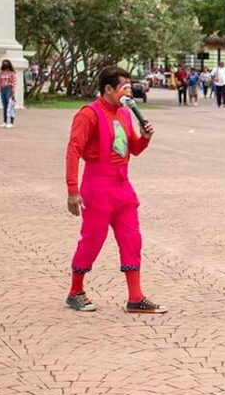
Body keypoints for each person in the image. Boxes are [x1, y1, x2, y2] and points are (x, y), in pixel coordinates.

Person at [65, 66, 167, 314]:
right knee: (92, 240)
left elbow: (133, 149)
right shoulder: (89, 114)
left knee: (132, 240)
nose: (128, 91)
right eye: (124, 87)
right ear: (108, 89)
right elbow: (73, 150)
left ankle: (135, 297)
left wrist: (144, 137)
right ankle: (75, 291)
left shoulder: (124, 113)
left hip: (123, 189)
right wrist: (72, 190)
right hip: (97, 188)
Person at [0, 59, 17, 129]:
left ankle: (11, 122)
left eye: (6, 63)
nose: (5, 64)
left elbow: (14, 83)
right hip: (2, 89)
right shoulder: (1, 73)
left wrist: (13, 91)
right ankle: (5, 121)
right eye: (4, 63)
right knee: (5, 106)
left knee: (10, 106)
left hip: (9, 89)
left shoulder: (12, 73)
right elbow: (0, 82)